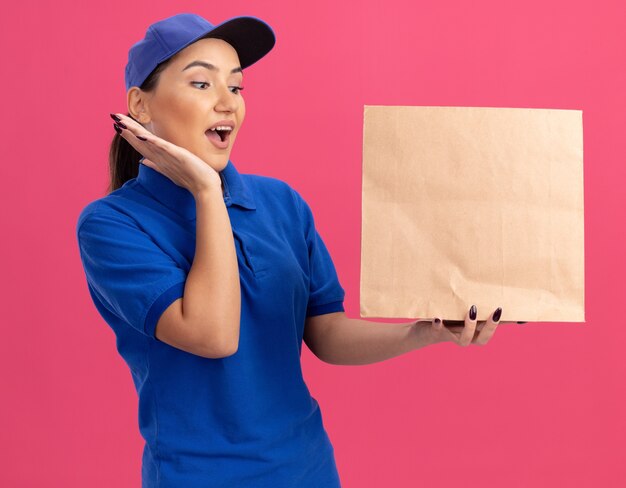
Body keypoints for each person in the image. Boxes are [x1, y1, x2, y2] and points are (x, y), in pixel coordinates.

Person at [76, 12, 522, 488]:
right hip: (198, 474)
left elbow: (325, 332)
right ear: (139, 106)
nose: (227, 103)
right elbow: (213, 336)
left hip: (307, 468)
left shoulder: (282, 203)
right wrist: (207, 192)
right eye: (202, 84)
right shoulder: (112, 224)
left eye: (238, 87)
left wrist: (426, 332)